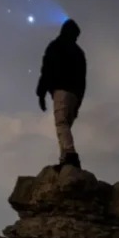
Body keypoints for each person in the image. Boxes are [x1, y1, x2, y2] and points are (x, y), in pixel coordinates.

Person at [35, 18, 87, 169]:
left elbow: (47, 70)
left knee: (61, 124)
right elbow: (83, 80)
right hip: (75, 95)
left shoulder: (56, 46)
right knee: (64, 126)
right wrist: (79, 102)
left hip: (62, 90)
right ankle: (65, 160)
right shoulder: (79, 53)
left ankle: (70, 155)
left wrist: (41, 94)